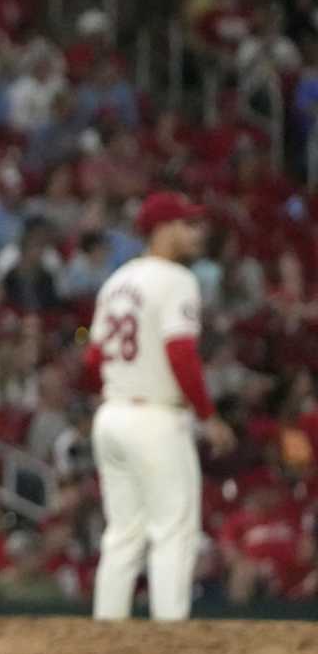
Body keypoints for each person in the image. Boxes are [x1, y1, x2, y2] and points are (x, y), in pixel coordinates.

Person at [83, 192, 235, 621]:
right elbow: (182, 354)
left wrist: (119, 386)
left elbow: (92, 360)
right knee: (173, 531)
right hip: (156, 418)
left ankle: (106, 634)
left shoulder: (117, 281)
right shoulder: (176, 280)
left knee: (123, 534)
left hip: (112, 415)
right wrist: (209, 416)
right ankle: (171, 638)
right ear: (161, 229)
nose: (197, 232)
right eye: (187, 224)